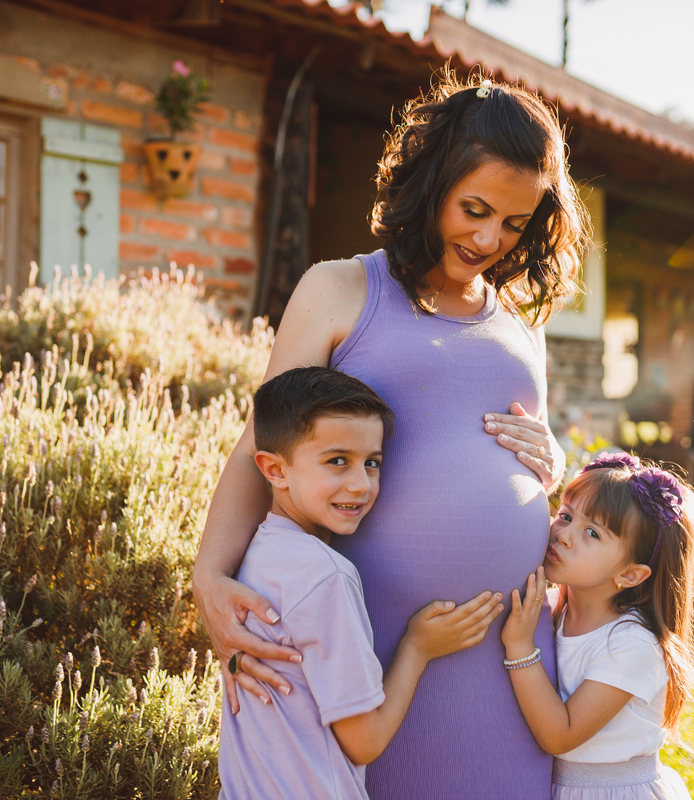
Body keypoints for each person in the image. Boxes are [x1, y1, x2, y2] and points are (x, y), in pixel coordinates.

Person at [194, 70, 591, 798]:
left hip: (507, 660)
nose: (489, 238)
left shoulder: (519, 328)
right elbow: (259, 446)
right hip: (374, 651)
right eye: (474, 209)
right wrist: (209, 579)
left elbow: (507, 449)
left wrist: (554, 466)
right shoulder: (340, 290)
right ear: (432, 181)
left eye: (514, 224)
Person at [218, 366, 504, 799]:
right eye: (337, 461)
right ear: (275, 470)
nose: (360, 484)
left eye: (372, 463)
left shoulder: (258, 556)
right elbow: (364, 740)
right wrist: (418, 647)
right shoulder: (324, 575)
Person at [500, 453, 694, 799]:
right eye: (565, 515)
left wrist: (520, 648)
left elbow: (560, 735)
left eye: (592, 533)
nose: (564, 535)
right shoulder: (553, 610)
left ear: (629, 574)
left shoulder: (631, 645)